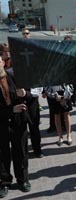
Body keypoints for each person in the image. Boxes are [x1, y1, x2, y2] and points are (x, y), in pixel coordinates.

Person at [0, 52, 33, 197]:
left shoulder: (14, 77)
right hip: (1, 123)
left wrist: (25, 94)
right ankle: (4, 181)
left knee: (21, 152)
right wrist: (10, 110)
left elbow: (32, 98)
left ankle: (22, 179)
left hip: (18, 122)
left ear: (3, 62)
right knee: (2, 154)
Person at [21, 29, 44, 158]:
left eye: (27, 33)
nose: (26, 35)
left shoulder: (35, 49)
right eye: (24, 33)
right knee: (22, 126)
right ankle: (22, 152)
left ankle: (37, 149)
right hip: (21, 92)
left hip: (33, 95)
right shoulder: (17, 50)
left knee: (34, 125)